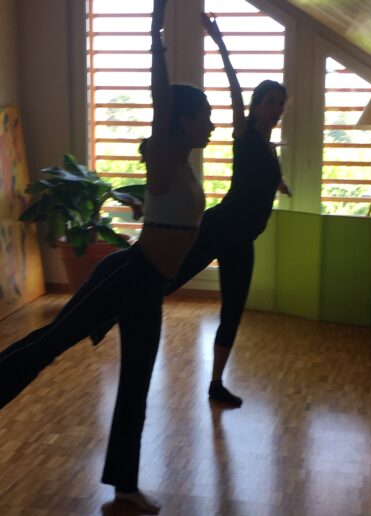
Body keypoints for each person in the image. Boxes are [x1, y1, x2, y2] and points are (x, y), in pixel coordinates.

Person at [0, 0, 214, 513]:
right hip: (128, 275)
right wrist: (156, 29)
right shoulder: (165, 154)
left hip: (147, 286)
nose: (211, 126)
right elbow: (161, 98)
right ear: (182, 121)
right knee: (48, 345)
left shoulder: (183, 164)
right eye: (204, 118)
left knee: (136, 384)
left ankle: (124, 490)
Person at [90, 13, 291, 409]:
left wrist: (279, 182)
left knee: (233, 311)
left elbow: (263, 178)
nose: (277, 109)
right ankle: (108, 314)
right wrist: (219, 42)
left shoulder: (270, 148)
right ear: (256, 106)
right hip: (220, 226)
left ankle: (216, 384)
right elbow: (234, 86)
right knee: (166, 281)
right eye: (271, 102)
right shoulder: (245, 133)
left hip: (242, 240)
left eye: (281, 104)